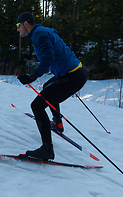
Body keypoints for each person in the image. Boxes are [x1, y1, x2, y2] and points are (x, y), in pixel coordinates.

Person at [16, 12, 87, 160]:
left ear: (25, 24)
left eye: (18, 26)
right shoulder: (43, 31)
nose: (17, 29)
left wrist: (33, 76)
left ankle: (47, 150)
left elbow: (48, 57)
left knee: (37, 105)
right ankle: (57, 123)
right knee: (48, 88)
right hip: (74, 73)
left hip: (72, 76)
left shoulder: (39, 35)